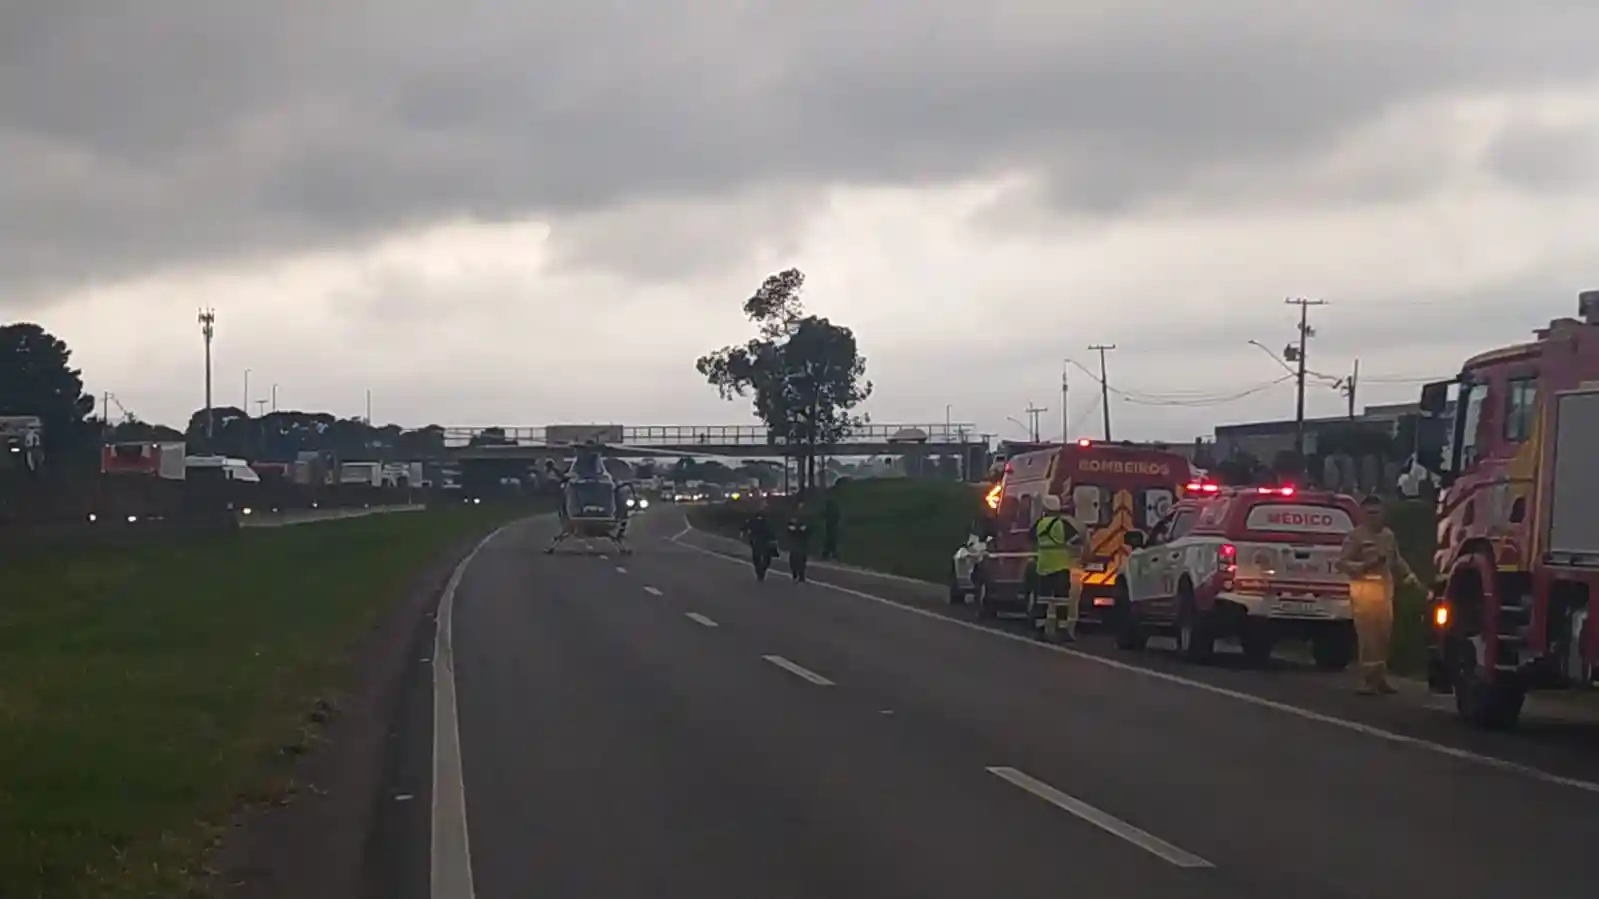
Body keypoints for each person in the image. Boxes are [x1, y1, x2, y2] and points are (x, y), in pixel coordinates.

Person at [1337, 494, 1424, 695]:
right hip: (1364, 591)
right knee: (1368, 637)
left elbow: (1397, 560)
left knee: (1384, 636)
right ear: (1363, 515)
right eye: (1370, 513)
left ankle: (1380, 677)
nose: (1374, 517)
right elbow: (1342, 563)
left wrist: (1412, 579)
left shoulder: (1388, 536)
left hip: (1385, 591)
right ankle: (1367, 679)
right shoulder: (1355, 537)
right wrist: (1365, 565)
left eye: (1377, 513)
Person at [1032, 494, 1087, 642]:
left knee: (1043, 599)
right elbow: (1078, 538)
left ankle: (1040, 629)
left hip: (1043, 566)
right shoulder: (1061, 524)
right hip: (1060, 566)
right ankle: (1062, 630)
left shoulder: (1040, 523)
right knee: (1062, 599)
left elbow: (1030, 538)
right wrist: (1070, 546)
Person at [739, 501, 777, 582]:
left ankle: (760, 570)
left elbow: (744, 527)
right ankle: (761, 570)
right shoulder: (761, 521)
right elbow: (744, 527)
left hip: (760, 541)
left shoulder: (763, 521)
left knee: (759, 557)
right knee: (763, 558)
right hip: (760, 541)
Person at [787, 503, 812, 583]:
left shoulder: (806, 518)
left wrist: (805, 531)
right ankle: (795, 573)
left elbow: (809, 529)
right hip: (795, 541)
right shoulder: (792, 518)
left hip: (802, 541)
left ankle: (801, 576)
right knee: (793, 559)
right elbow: (789, 528)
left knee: (802, 559)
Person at [821, 493, 841, 560]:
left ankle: (827, 554)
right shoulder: (833, 508)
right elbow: (837, 515)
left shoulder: (829, 508)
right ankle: (832, 554)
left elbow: (824, 515)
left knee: (830, 539)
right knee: (831, 539)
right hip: (832, 525)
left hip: (830, 525)